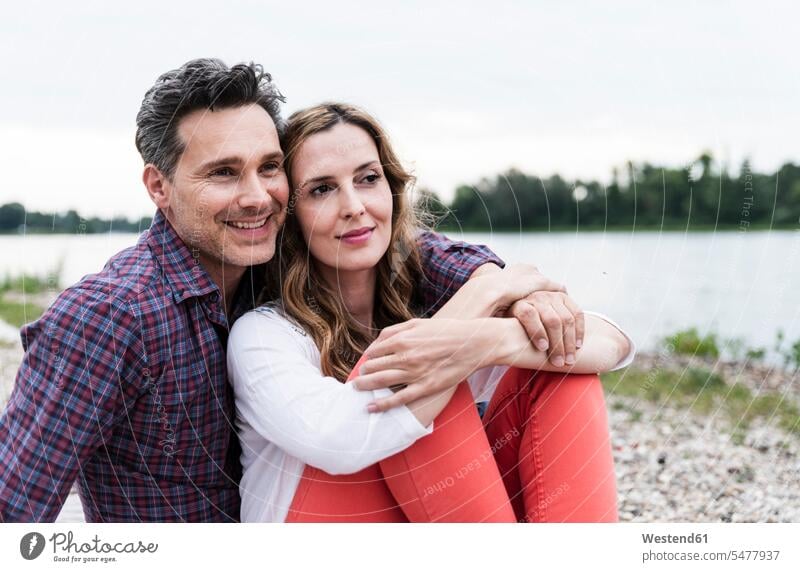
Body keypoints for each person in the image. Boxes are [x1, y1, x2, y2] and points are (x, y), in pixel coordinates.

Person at [0, 60, 579, 522]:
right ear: (159, 185)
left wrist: (510, 294)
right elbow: (13, 509)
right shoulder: (109, 317)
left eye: (270, 167)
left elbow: (426, 252)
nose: (257, 197)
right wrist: (488, 306)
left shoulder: (282, 250)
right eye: (223, 173)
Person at [227, 102, 635, 523]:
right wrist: (489, 290)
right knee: (418, 366)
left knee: (555, 375)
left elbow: (613, 344)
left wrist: (491, 341)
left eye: (368, 179)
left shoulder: (431, 302)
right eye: (321, 189)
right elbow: (341, 439)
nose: (353, 205)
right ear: (291, 216)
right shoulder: (262, 334)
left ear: (391, 190)